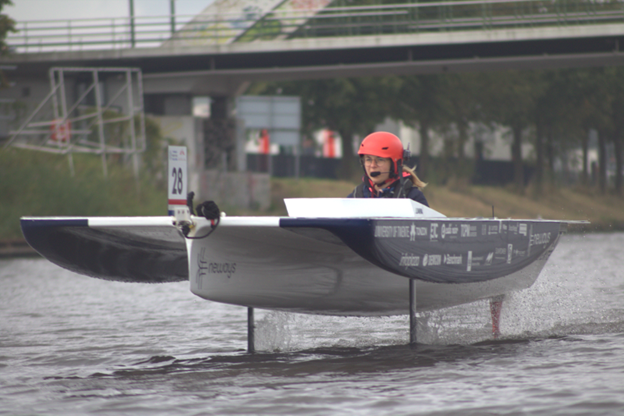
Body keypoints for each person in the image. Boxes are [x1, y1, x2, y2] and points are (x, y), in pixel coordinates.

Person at [348, 131, 429, 206]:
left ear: (395, 164)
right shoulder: (355, 196)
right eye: (368, 159)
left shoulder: (413, 198)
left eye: (380, 159)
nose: (372, 165)